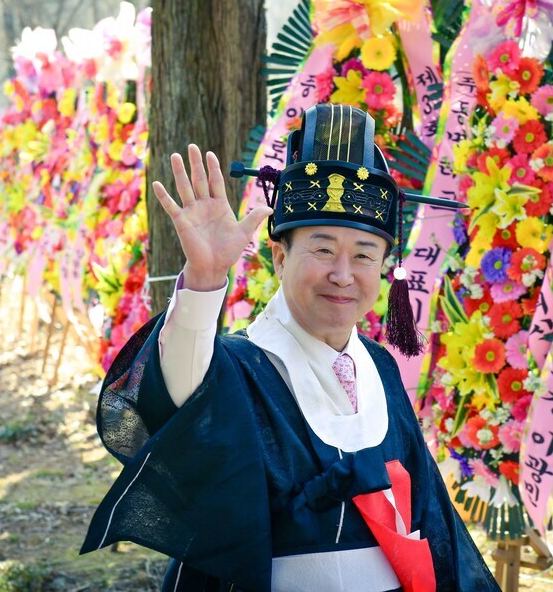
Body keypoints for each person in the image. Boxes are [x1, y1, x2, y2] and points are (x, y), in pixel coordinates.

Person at [81, 105, 500, 592]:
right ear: (279, 256)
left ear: (386, 267)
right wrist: (203, 282)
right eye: (322, 249)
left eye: (364, 256)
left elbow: (431, 523)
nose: (343, 275)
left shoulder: (381, 368)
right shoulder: (241, 367)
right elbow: (177, 395)